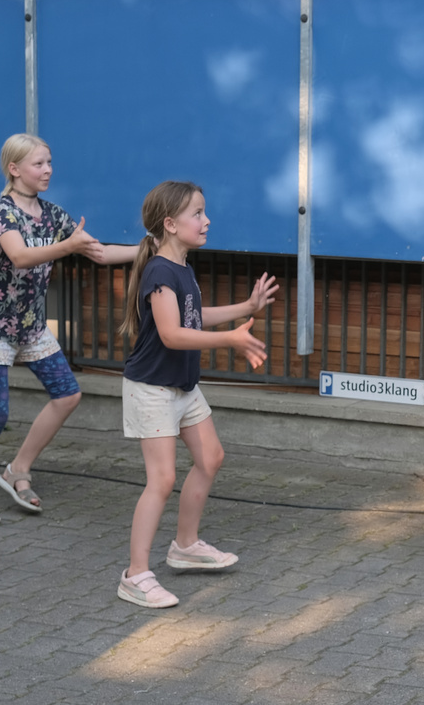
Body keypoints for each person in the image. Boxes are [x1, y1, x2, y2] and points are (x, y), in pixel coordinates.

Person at [0, 133, 137, 526]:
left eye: (50, 163)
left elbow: (99, 252)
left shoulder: (53, 214)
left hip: (31, 326)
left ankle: (16, 470)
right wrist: (67, 247)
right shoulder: (1, 211)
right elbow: (20, 257)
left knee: (68, 394)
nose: (48, 170)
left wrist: (152, 249)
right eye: (39, 164)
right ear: (15, 169)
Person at [115, 180, 278, 609]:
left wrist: (246, 308)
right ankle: (135, 575)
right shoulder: (160, 271)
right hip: (152, 388)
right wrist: (230, 341)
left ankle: (184, 546)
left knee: (211, 458)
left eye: (204, 213)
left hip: (182, 386)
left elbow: (193, 315)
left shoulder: (180, 266)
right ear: (170, 224)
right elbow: (171, 334)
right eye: (198, 214)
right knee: (162, 479)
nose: (207, 221)